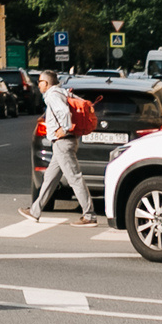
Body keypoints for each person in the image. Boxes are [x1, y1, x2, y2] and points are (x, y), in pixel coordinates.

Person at [21, 70, 98, 226]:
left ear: (47, 83)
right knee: (50, 178)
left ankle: (89, 215)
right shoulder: (62, 92)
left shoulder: (53, 95)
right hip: (62, 144)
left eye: (40, 81)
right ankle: (35, 210)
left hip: (63, 142)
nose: (38, 84)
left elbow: (63, 112)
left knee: (74, 178)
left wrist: (65, 128)